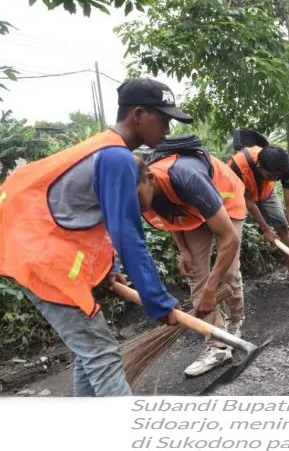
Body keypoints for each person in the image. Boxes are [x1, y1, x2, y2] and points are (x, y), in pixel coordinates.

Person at [0, 78, 187, 396]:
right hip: (43, 263)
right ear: (138, 114)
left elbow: (90, 222)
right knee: (102, 356)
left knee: (92, 355)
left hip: (39, 255)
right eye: (164, 119)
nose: (168, 129)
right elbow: (128, 235)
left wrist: (107, 270)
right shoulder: (116, 158)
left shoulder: (105, 150)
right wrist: (157, 301)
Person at [143, 134, 247, 377]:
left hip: (224, 200)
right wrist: (183, 251)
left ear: (148, 180)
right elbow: (170, 218)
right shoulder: (141, 192)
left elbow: (229, 239)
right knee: (195, 274)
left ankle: (235, 322)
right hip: (191, 211)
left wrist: (212, 289)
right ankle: (218, 345)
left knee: (228, 273)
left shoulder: (186, 176)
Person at [228, 133, 289, 286]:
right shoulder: (235, 166)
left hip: (265, 193)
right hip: (240, 196)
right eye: (271, 176)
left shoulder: (284, 168)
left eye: (278, 177)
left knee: (282, 226)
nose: (276, 180)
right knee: (232, 236)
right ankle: (232, 280)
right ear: (259, 166)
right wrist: (265, 229)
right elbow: (248, 201)